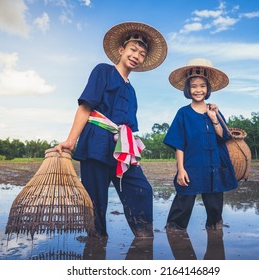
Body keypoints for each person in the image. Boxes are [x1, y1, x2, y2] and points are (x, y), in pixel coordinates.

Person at [55, 22, 167, 239]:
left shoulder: (131, 90)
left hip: (122, 146)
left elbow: (129, 126)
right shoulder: (103, 71)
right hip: (96, 142)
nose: (136, 55)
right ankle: (96, 240)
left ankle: (144, 236)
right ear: (121, 50)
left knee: (142, 190)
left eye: (142, 54)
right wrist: (71, 141)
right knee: (95, 199)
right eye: (133, 50)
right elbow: (85, 107)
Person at [163, 58, 238, 231]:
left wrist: (214, 119)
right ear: (188, 89)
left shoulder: (214, 111)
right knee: (183, 202)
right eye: (194, 86)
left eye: (202, 86)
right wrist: (181, 169)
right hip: (192, 165)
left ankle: (214, 230)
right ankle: (174, 232)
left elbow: (223, 137)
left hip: (214, 166)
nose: (198, 90)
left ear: (208, 88)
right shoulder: (183, 113)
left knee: (215, 207)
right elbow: (179, 143)